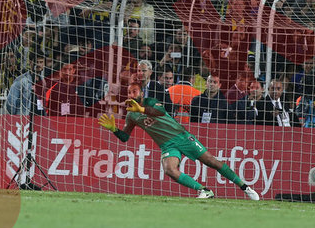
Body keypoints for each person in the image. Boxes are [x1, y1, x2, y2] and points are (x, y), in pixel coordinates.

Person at [99, 82, 260, 200]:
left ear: (141, 92)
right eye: (129, 92)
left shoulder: (150, 101)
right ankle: (204, 190)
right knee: (169, 169)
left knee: (212, 162)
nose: (131, 95)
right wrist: (114, 129)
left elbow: (159, 111)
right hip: (167, 145)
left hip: (181, 136)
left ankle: (245, 187)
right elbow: (125, 137)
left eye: (134, 91)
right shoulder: (131, 115)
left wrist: (141, 108)